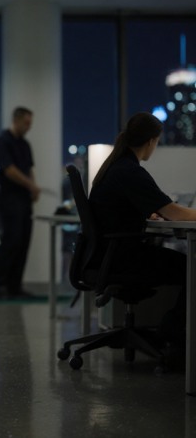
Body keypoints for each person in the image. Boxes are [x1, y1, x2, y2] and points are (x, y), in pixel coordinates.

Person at [90, 111, 196, 349]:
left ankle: (173, 332)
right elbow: (175, 213)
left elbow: (126, 208)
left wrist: (148, 211)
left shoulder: (116, 166)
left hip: (109, 255)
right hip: (123, 258)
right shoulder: (129, 171)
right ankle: (173, 332)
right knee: (193, 268)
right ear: (151, 141)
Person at [0, 107, 40, 300]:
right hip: (10, 198)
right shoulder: (4, 141)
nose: (29, 127)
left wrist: (33, 188)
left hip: (24, 199)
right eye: (26, 122)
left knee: (24, 241)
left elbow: (29, 169)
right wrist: (32, 186)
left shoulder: (25, 145)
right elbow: (9, 170)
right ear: (16, 120)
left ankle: (14, 286)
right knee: (11, 240)